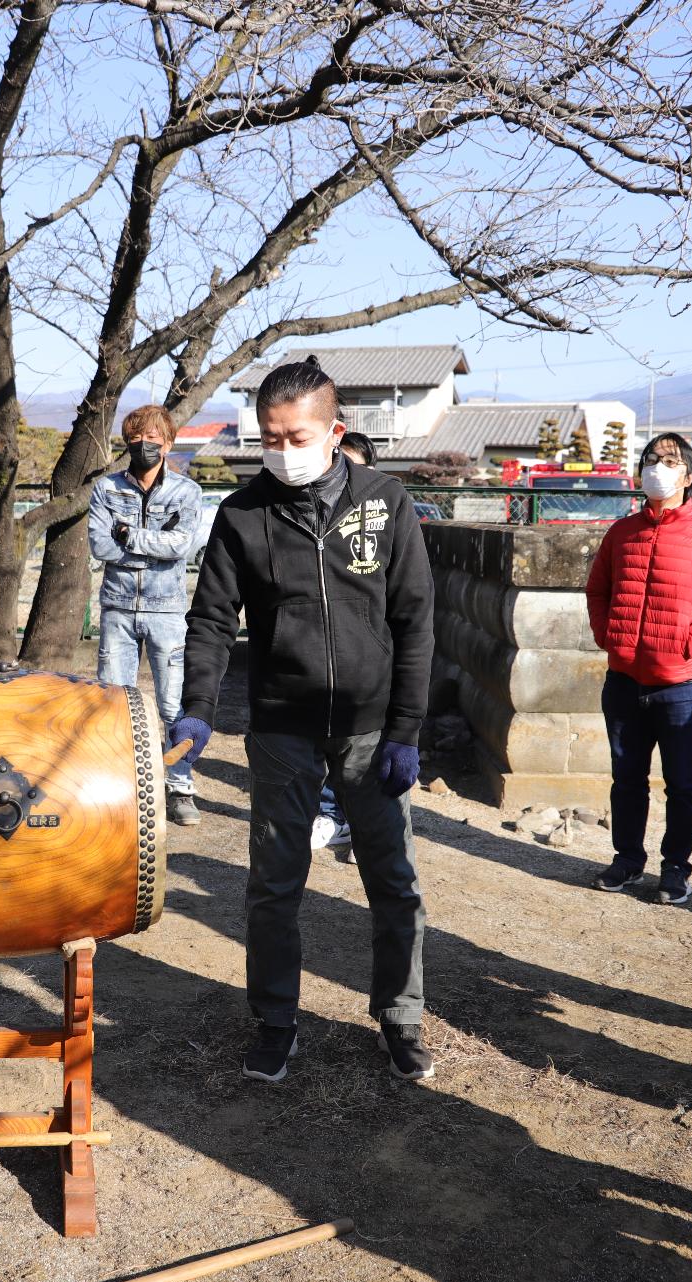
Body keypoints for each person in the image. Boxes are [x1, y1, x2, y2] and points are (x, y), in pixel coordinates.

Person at [173, 359, 435, 1084]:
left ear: (334, 431)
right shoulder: (242, 514)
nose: (282, 449)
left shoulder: (386, 503)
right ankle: (275, 1018)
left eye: (297, 435)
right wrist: (197, 709)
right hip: (282, 726)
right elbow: (211, 621)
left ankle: (401, 1017)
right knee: (274, 883)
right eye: (270, 436)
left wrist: (406, 730)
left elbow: (416, 623)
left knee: (393, 880)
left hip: (371, 729)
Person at [583, 432, 692, 906]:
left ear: (688, 476)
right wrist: (606, 635)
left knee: (683, 782)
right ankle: (628, 859)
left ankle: (675, 867)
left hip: (680, 685)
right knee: (626, 777)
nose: (658, 467)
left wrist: (686, 644)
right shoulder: (621, 532)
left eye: (670, 461)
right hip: (623, 680)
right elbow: (598, 591)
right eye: (651, 459)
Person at [90, 405, 205, 825]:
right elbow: (101, 547)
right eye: (137, 439)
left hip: (168, 612)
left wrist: (129, 536)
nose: (145, 446)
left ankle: (179, 786)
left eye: (154, 439)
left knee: (173, 706)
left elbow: (180, 547)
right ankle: (119, 787)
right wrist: (151, 545)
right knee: (111, 703)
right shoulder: (106, 489)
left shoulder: (186, 492)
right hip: (117, 609)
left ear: (169, 443)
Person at [311, 431, 377, 857]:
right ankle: (331, 816)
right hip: (318, 660)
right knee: (326, 750)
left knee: (366, 758)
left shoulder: (383, 514)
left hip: (368, 663)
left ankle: (361, 826)